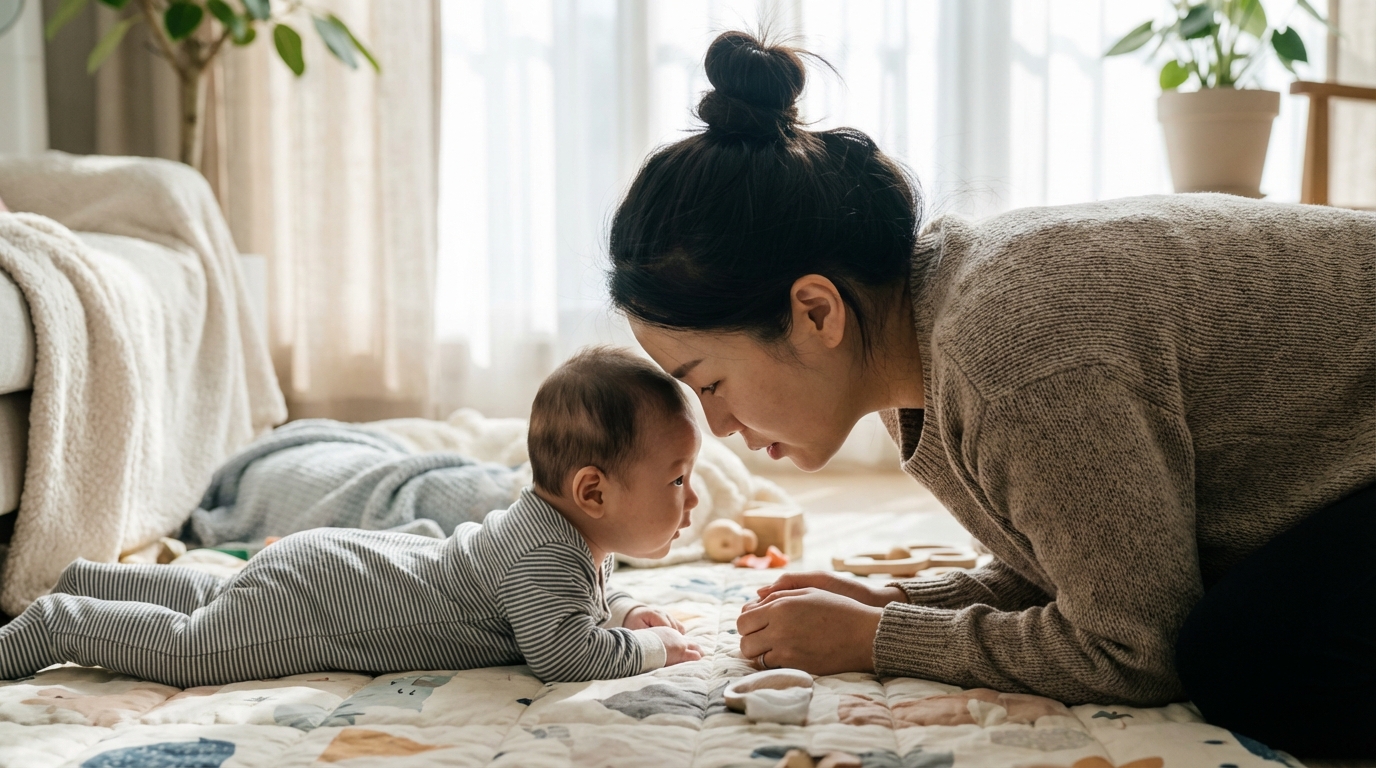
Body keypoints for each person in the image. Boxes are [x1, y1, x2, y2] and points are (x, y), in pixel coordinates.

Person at [607, 29, 1376, 757]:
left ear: (815, 313)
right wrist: (893, 601)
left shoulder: (1010, 357)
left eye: (710, 382)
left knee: (1243, 658)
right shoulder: (924, 345)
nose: (718, 424)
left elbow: (1133, 647)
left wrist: (873, 639)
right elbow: (1081, 564)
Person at [0, 347, 703, 687]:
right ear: (592, 493)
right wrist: (652, 649)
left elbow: (579, 603)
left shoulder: (554, 534)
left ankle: (90, 578)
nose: (693, 499)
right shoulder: (546, 555)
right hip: (321, 604)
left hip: (324, 565)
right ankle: (57, 622)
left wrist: (626, 608)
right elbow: (565, 653)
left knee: (218, 594)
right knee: (191, 649)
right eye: (677, 479)